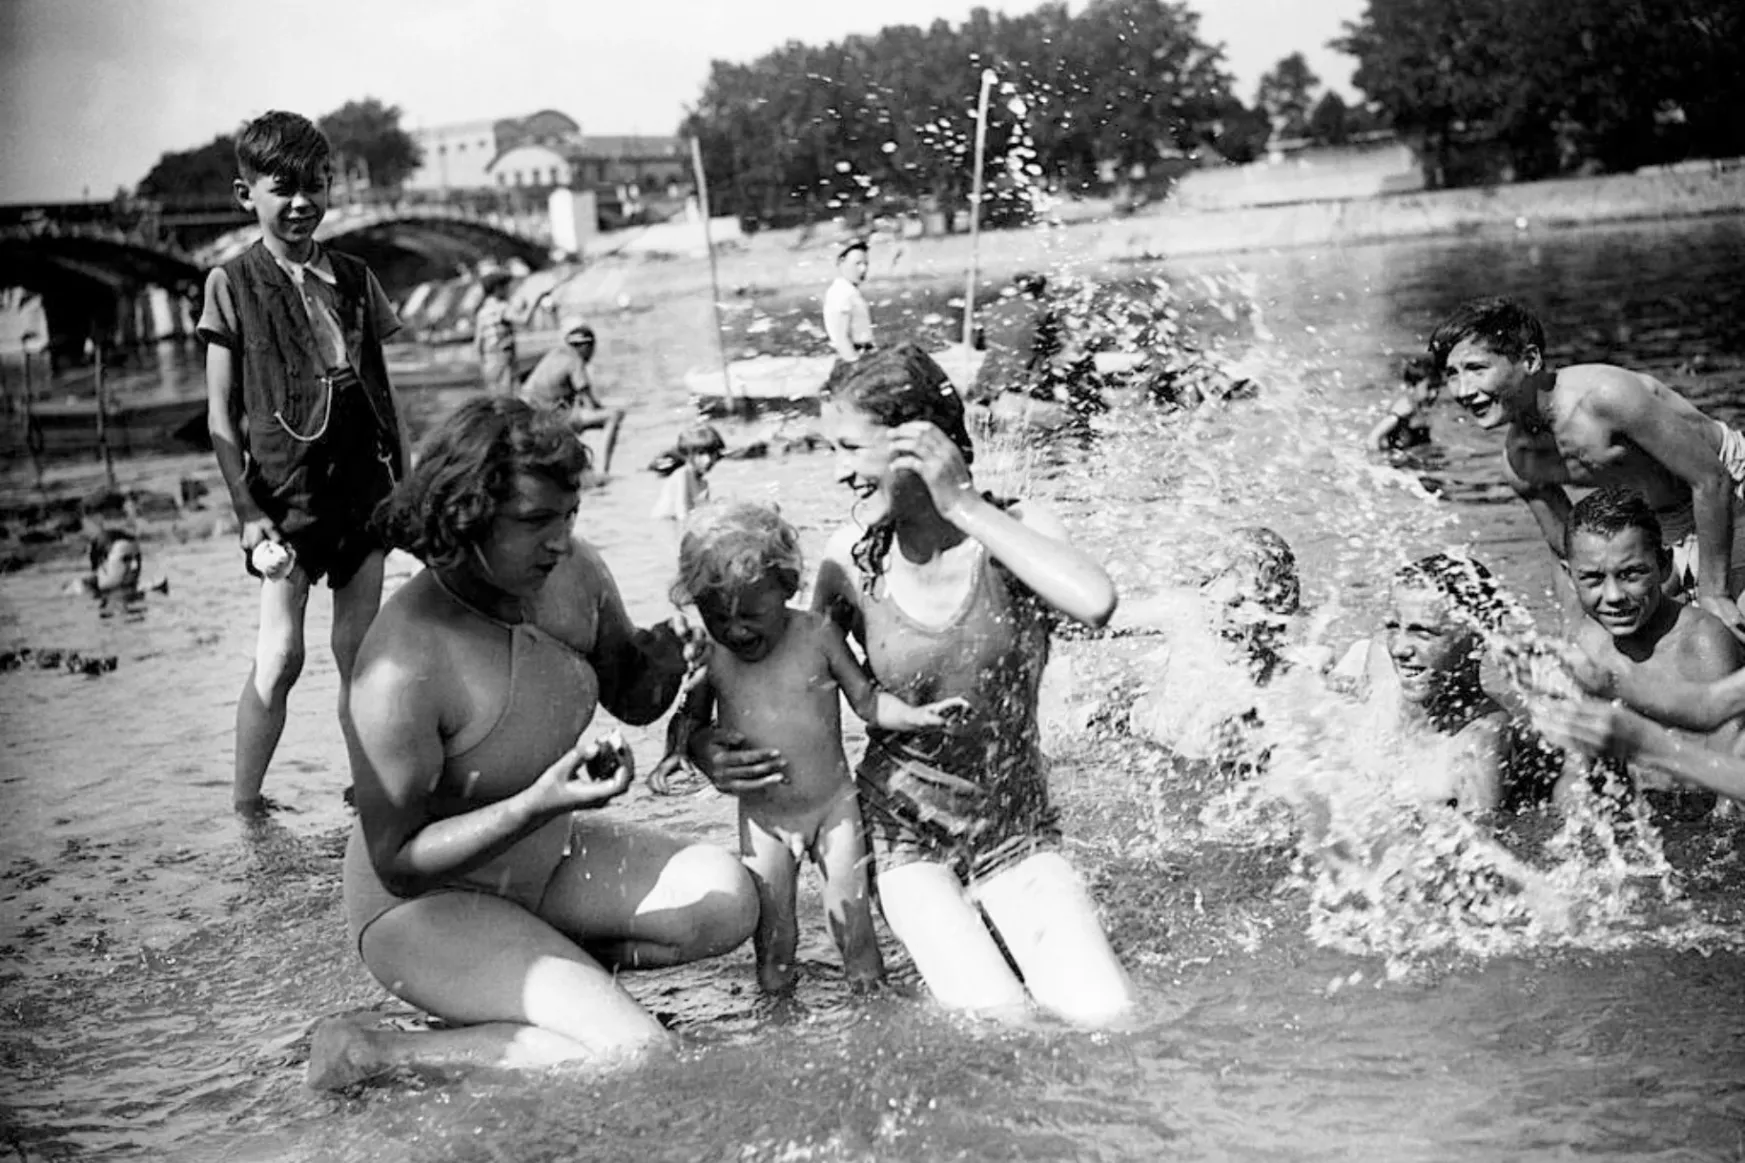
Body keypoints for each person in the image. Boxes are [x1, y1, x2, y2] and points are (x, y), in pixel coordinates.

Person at [308, 396, 758, 1091]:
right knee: (635, 1053)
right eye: (534, 521)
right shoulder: (400, 665)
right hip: (422, 908)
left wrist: (665, 657)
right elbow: (396, 862)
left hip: (541, 864)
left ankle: (544, 979)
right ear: (464, 518)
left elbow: (632, 695)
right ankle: (368, 1052)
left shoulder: (572, 573)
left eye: (568, 515)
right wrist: (536, 802)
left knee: (727, 898)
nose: (560, 539)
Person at [693, 342, 1134, 1027]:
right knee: (999, 1020)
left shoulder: (1013, 530)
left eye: (847, 447)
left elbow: (1096, 599)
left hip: (1016, 830)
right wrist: (703, 748)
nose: (837, 472)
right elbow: (771, 670)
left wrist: (957, 500)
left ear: (917, 444)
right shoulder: (851, 560)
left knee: (1106, 1015)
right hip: (904, 833)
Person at [654, 502, 966, 995]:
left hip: (832, 810)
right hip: (764, 821)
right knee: (775, 948)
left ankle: (872, 1020)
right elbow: (689, 719)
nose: (736, 631)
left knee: (856, 938)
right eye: (717, 617)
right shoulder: (712, 656)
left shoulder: (817, 635)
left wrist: (918, 716)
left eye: (751, 614)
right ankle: (778, 1023)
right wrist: (676, 753)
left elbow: (867, 702)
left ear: (787, 586)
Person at [199, 110, 412, 816]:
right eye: (282, 188)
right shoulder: (230, 284)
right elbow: (220, 415)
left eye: (315, 186)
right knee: (280, 656)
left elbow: (385, 392)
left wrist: (407, 491)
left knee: (361, 652)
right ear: (245, 195)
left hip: (364, 491)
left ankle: (371, 792)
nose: (301, 203)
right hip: (282, 498)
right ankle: (244, 803)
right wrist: (247, 512)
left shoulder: (354, 278)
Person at [1429, 296, 1745, 637]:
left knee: (1728, 629)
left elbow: (1712, 480)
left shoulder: (1605, 397)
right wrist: (1575, 630)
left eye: (1477, 369)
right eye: (1451, 374)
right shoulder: (1520, 464)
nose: (1462, 390)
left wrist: (1715, 593)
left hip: (1733, 485)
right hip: (1665, 528)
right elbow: (1568, 551)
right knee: (1627, 645)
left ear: (1530, 360)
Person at [1551, 488, 1744, 802]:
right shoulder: (1585, 641)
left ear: (1664, 565)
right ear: (1569, 576)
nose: (1613, 596)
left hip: (1700, 808)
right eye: (1593, 578)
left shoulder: (1701, 641)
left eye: (1631, 574)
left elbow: (1731, 773)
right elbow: (1576, 770)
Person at [1332, 553, 1517, 813]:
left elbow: (1482, 846)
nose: (1399, 648)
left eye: (1423, 633)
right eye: (1394, 627)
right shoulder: (1381, 656)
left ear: (1478, 638)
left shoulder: (1480, 740)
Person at [1128, 527, 1322, 768]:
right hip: (1132, 728)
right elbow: (1101, 618)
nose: (1222, 617)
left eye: (1238, 605)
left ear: (1274, 611)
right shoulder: (1186, 615)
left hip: (1196, 764)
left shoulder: (1279, 686)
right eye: (1214, 603)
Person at [518, 314, 626, 475]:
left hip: (534, 414)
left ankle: (583, 467)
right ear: (586, 346)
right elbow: (591, 404)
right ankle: (603, 470)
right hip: (552, 417)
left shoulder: (554, 355)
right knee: (613, 416)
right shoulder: (575, 360)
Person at [650, 423, 726, 526]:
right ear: (687, 455)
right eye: (700, 454)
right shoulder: (683, 475)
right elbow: (682, 515)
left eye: (712, 453)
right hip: (664, 526)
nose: (708, 459)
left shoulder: (703, 484)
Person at [67, 529, 168, 603]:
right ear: (103, 563)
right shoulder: (78, 594)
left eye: (138, 559)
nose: (135, 566)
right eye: (125, 560)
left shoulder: (143, 586)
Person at [1365, 355, 1441, 453]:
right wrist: (1376, 462)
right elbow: (1373, 437)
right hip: (1400, 462)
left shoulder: (1418, 407)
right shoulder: (1405, 409)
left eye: (1437, 387)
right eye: (1429, 388)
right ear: (1411, 387)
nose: (1434, 394)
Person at [821, 237, 874, 363]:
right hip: (852, 357)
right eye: (857, 264)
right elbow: (841, 337)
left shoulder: (849, 291)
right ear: (841, 263)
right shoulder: (842, 292)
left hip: (863, 353)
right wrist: (855, 365)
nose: (863, 269)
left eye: (865, 264)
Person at [474, 271, 517, 396]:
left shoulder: (482, 312)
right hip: (504, 357)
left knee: (494, 396)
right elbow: (523, 320)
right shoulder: (503, 307)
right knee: (508, 397)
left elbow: (478, 343)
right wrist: (535, 303)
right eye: (507, 287)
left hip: (489, 360)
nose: (509, 291)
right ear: (498, 289)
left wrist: (482, 365)